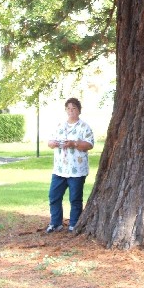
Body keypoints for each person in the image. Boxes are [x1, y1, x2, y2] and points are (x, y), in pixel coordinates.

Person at [46, 97, 94, 233]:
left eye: (74, 108)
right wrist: (53, 144)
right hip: (60, 169)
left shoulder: (84, 127)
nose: (71, 111)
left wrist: (74, 143)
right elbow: (50, 142)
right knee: (54, 196)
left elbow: (89, 145)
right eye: (69, 108)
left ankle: (74, 224)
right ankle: (55, 223)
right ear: (65, 110)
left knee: (75, 198)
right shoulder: (60, 126)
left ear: (79, 110)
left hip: (76, 170)